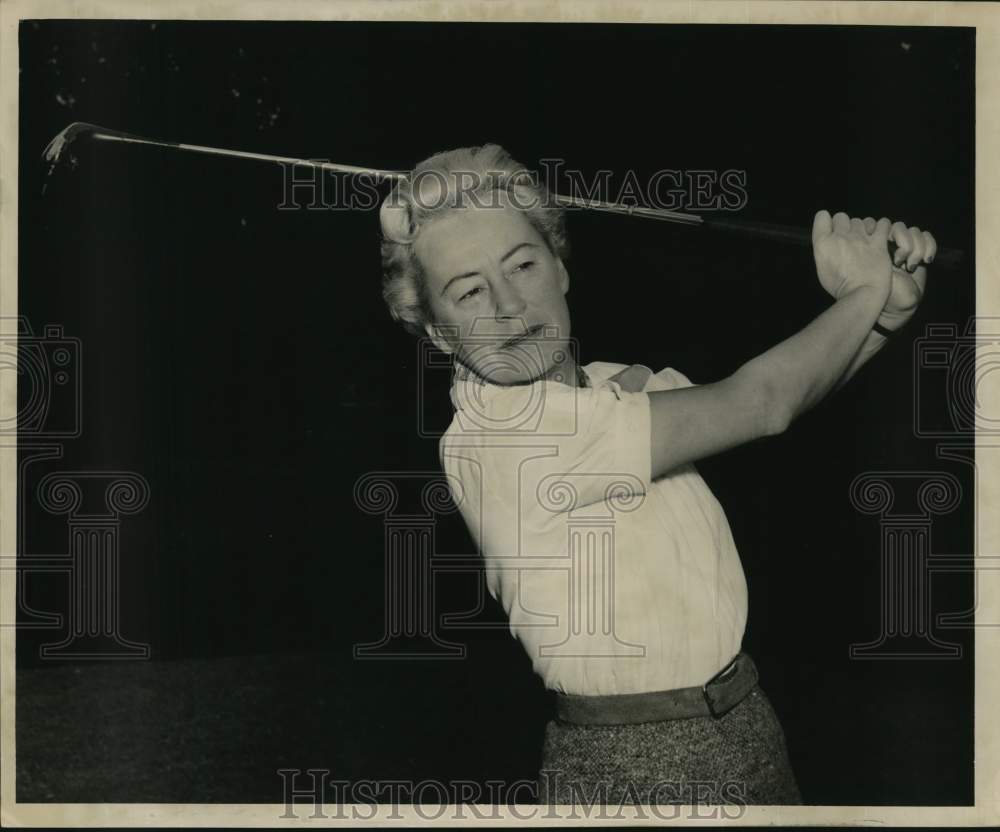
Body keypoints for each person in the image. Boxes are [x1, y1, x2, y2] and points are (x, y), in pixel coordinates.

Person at [378, 145, 935, 807]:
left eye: (522, 265)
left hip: (743, 717)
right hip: (635, 762)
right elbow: (761, 404)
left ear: (559, 267)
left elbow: (777, 396)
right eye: (469, 290)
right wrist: (864, 288)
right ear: (439, 334)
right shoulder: (506, 435)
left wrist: (880, 318)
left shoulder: (610, 388)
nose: (507, 304)